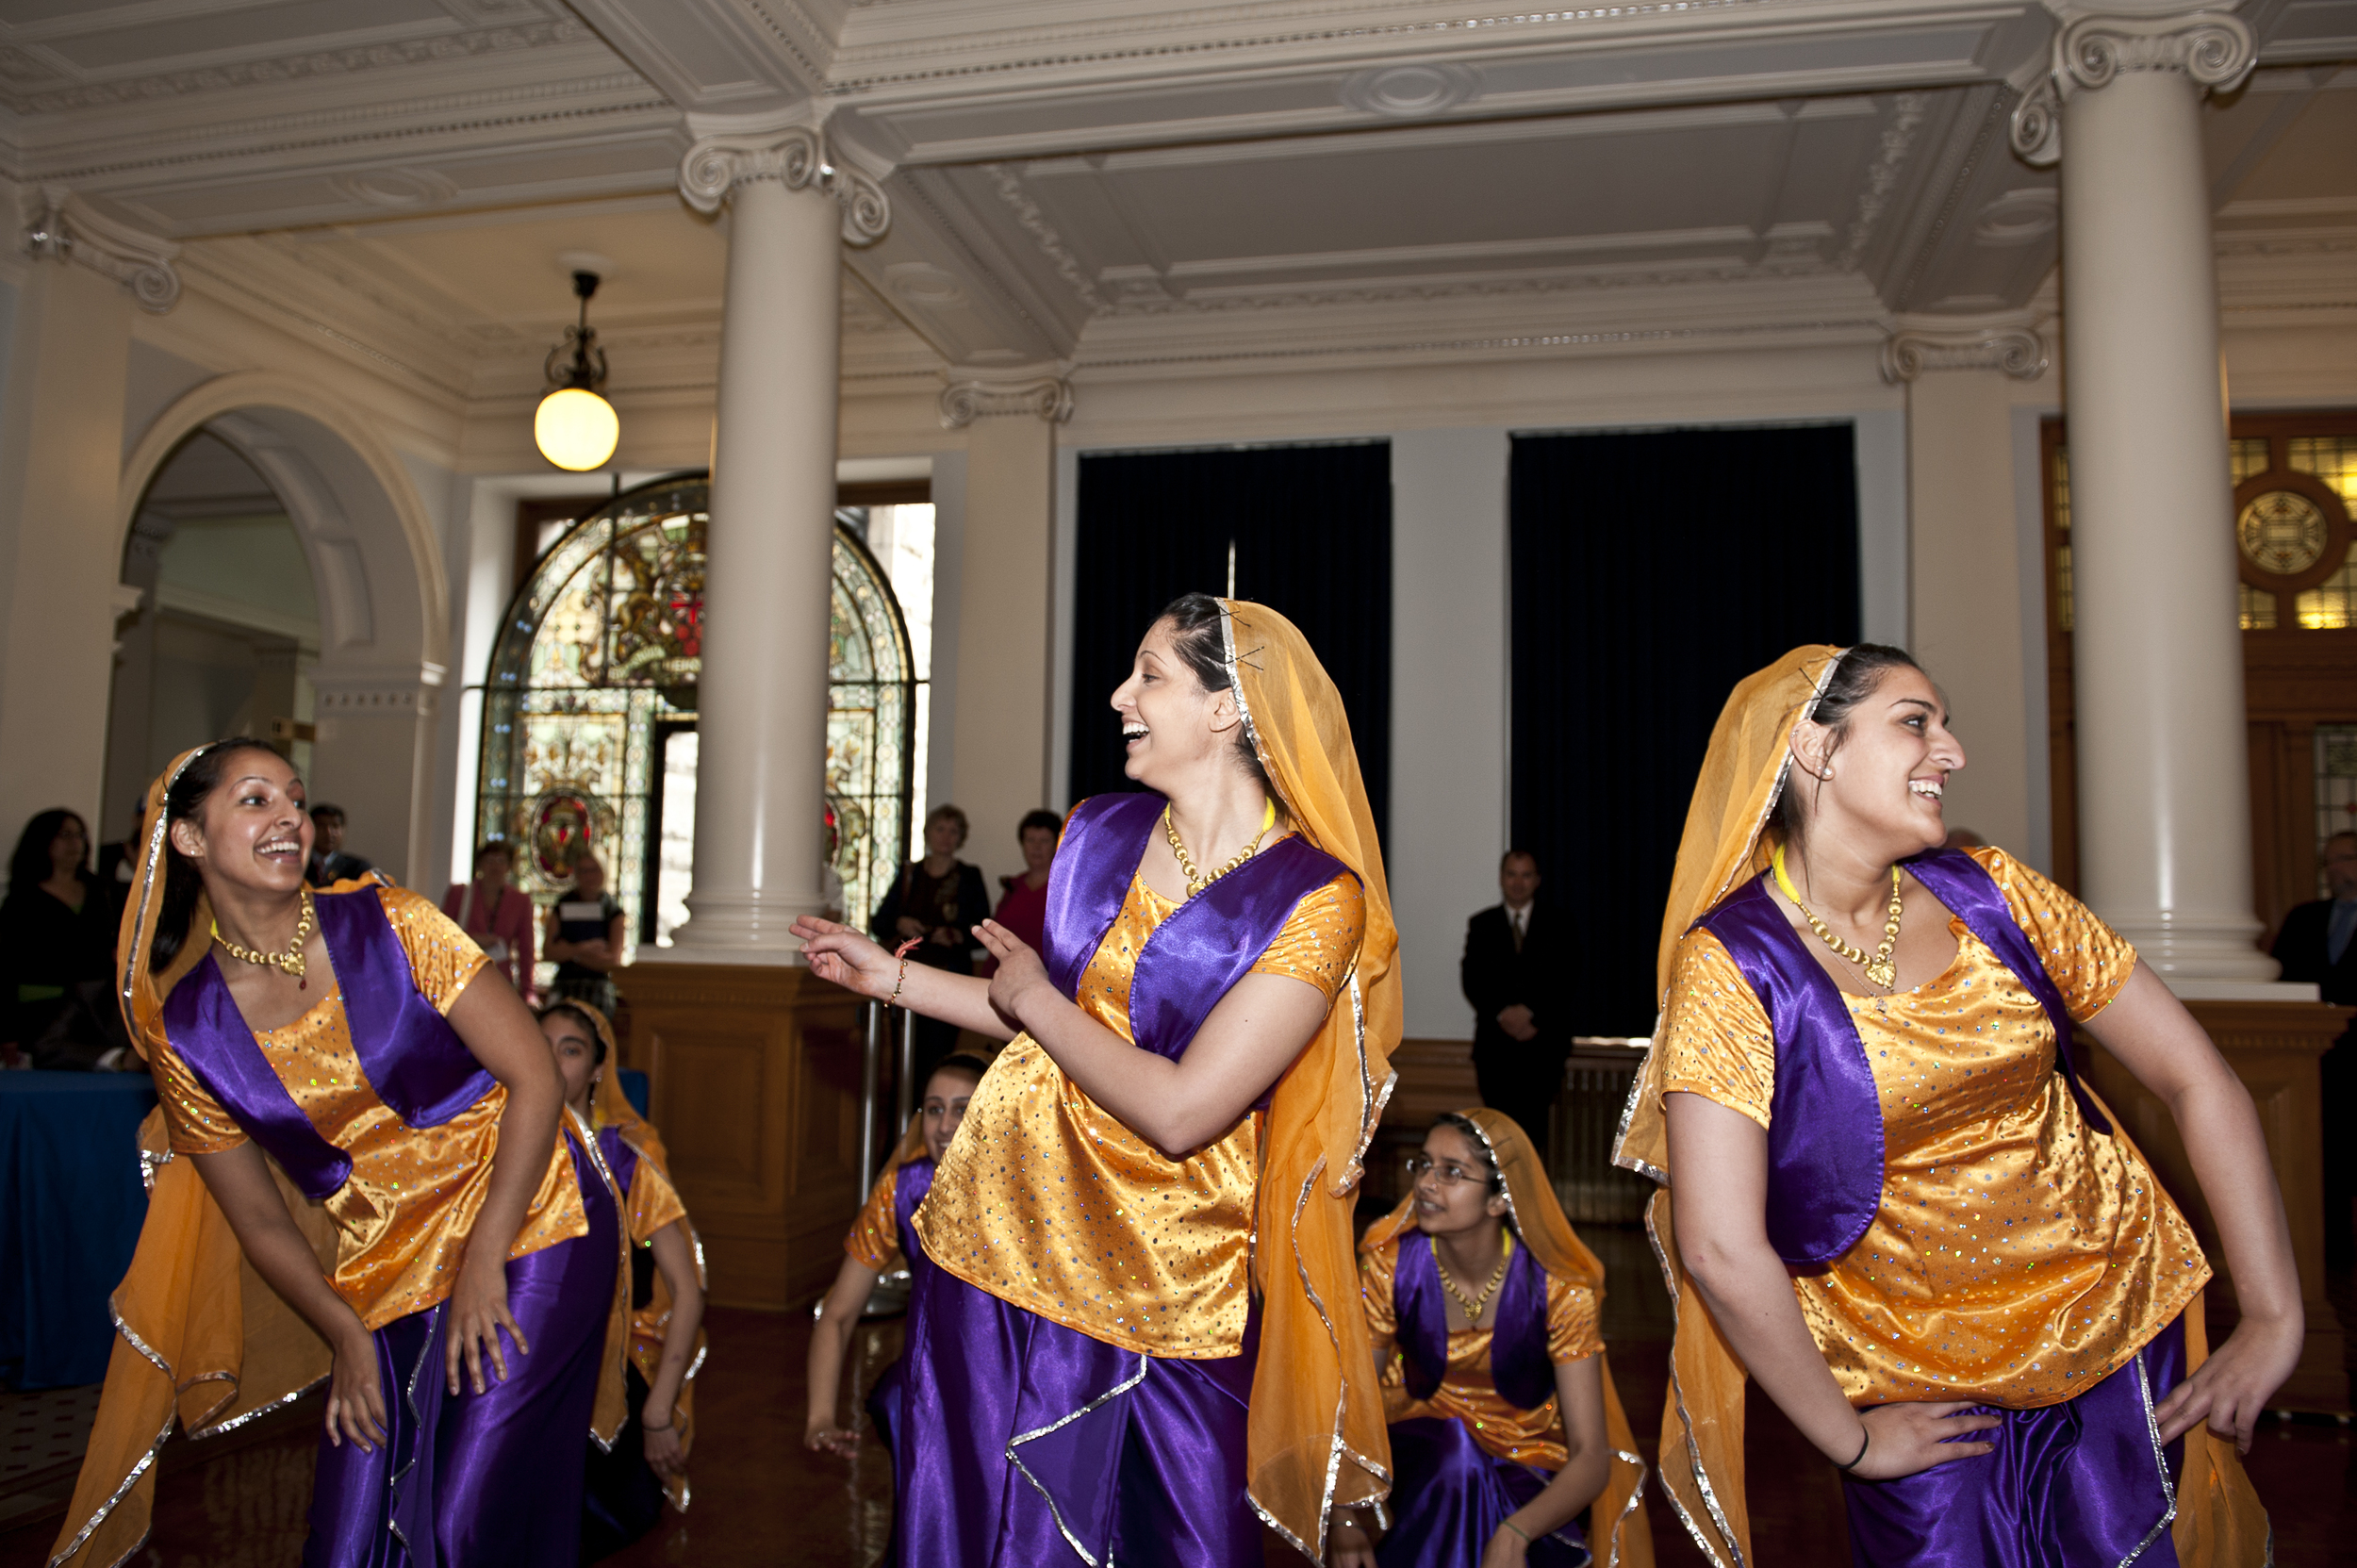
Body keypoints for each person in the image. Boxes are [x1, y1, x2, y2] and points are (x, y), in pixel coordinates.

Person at [1616, 645, 2289, 1564]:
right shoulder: (1734, 965)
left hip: (2114, 1327)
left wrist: (2274, 1312)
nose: (1953, 750)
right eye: (1914, 722)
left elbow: (2196, 1078)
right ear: (1814, 748)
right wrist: (1848, 1441)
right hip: (1916, 1389)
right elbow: (1720, 1246)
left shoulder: (1995, 892)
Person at [794, 593, 1398, 1565]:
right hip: (999, 1237)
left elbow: (1182, 1108)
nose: (1119, 694)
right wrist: (891, 976)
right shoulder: (1097, 832)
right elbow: (1046, 1023)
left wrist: (1031, 997)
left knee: (1180, 1534)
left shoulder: (1316, 898)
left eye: (1150, 674)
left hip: (1169, 1274)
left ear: (1225, 709)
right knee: (979, 1525)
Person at [53, 740, 630, 1568]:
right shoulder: (187, 1033)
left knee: (466, 1519)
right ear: (187, 838)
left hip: (534, 1210)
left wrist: (484, 1259)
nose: (289, 815)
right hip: (384, 1267)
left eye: (293, 796)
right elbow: (258, 1219)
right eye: (255, 800)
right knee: (349, 1537)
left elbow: (534, 1073)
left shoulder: (393, 921)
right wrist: (345, 1335)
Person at [1335, 1110, 1650, 1568]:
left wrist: (1515, 1533)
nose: (1425, 1183)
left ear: (1500, 1200)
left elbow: (1590, 1457)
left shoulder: (1560, 1288)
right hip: (1414, 1453)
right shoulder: (1390, 1266)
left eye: (1452, 1173)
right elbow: (1355, 1407)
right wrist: (1343, 1517)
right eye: (1423, 1165)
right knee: (1457, 1458)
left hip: (1527, 1464)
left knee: (1477, 1495)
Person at [806, 1052, 989, 1568]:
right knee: (899, 1400)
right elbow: (838, 1312)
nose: (946, 1125)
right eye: (934, 1109)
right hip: (931, 1382)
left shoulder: (1028, 1190)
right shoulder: (902, 1189)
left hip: (1010, 1383)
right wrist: (820, 1414)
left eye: (962, 1108)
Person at [540, 1000, 705, 1560]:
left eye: (571, 1049)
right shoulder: (499, 1148)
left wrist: (658, 1413)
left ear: (595, 1071)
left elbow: (684, 1289)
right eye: (542, 1046)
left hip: (607, 1367)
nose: (553, 1061)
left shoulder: (627, 1162)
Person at [2273, 829, 2357, 1264]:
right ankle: (2331, 1253)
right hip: (2313, 1059)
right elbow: (2283, 978)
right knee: (2321, 1155)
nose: (2334, 870)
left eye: (2343, 859)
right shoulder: (2304, 918)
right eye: (2329, 862)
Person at [868, 805, 990, 1085]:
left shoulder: (969, 876)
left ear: (961, 838)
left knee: (938, 1056)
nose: (946, 837)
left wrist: (955, 935)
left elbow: (982, 926)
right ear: (928, 833)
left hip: (949, 981)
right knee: (905, 1057)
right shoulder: (911, 874)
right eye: (940, 829)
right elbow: (880, 923)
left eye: (953, 831)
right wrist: (901, 923)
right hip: (906, 978)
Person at [1460, 850, 1569, 1148]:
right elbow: (1473, 979)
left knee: (1534, 1141)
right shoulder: (1482, 924)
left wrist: (1533, 1016)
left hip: (1542, 1048)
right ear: (1501, 878)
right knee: (1498, 1140)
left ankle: (1531, 1196)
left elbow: (1567, 980)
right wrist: (1502, 1014)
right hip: (1496, 1052)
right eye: (1511, 874)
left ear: (1537, 880)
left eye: (1525, 875)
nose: (1518, 882)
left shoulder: (1559, 924)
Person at [0, 809, 116, 1069]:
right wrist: (8, 1032)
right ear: (44, 841)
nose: (75, 843)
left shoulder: (101, 891)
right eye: (65, 835)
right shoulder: (22, 901)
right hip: (38, 1013)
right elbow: (6, 967)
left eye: (79, 835)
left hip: (91, 1014)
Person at [444, 840, 536, 999]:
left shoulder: (520, 901)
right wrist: (472, 938)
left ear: (508, 866)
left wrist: (527, 990)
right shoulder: (459, 894)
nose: (495, 866)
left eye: (501, 861)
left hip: (499, 977)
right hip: (462, 974)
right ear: (480, 864)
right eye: (489, 860)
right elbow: (442, 933)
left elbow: (526, 949)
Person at [546, 855, 628, 1018]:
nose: (589, 876)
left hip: (598, 987)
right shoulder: (563, 905)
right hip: (565, 985)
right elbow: (548, 952)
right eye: (583, 871)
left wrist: (569, 952)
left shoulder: (611, 910)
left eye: (594, 870)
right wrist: (583, 949)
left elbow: (612, 960)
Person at [990, 809, 1063, 956]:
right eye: (1030, 840)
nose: (1036, 847)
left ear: (1056, 844)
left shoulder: (1064, 889)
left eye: (1044, 840)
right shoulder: (1013, 886)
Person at [305, 803, 373, 887]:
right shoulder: (300, 865)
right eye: (321, 826)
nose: (329, 833)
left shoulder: (357, 868)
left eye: (335, 826)